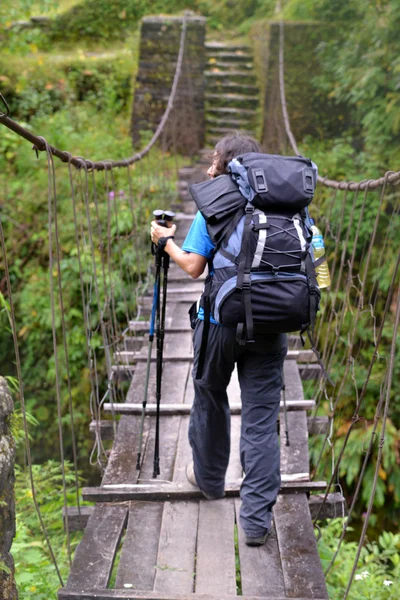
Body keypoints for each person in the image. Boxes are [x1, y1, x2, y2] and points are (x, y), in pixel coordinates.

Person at [150, 133, 288, 546]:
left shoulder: (215, 200)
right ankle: (256, 524)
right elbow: (318, 269)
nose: (209, 165)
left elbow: (193, 267)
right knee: (261, 420)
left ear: (226, 163)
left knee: (210, 395)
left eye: (214, 158)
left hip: (220, 325)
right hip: (272, 323)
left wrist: (165, 242)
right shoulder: (288, 202)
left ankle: (209, 480)